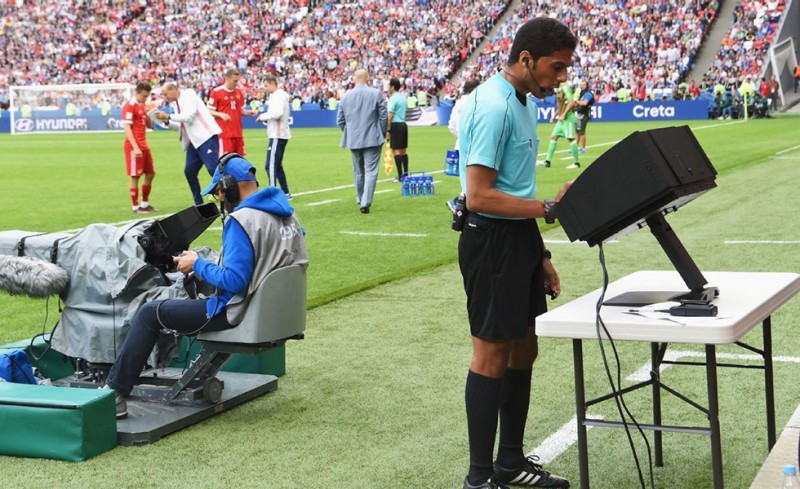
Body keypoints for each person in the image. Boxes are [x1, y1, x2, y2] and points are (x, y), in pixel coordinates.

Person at [457, 17, 575, 489]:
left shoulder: (524, 101)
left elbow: (515, 187)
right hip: (490, 241)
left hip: (519, 240)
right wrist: (548, 208)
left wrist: (540, 251)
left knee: (524, 348)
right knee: (491, 354)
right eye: (557, 67)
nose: (563, 77)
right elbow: (479, 196)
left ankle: (509, 465)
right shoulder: (491, 106)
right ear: (526, 60)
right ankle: (479, 478)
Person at [105, 155, 309, 418]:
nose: (219, 199)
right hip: (277, 312)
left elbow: (235, 280)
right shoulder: (288, 214)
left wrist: (197, 264)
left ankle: (113, 394)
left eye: (218, 193)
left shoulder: (241, 221)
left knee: (149, 313)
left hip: (236, 310)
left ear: (228, 186)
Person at [155, 82, 222, 206]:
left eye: (166, 94)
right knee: (189, 171)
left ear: (174, 89)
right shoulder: (177, 104)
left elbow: (189, 117)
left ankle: (231, 196)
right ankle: (198, 203)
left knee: (213, 169)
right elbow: (182, 124)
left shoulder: (189, 95)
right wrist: (166, 121)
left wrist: (169, 116)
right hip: (195, 141)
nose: (165, 98)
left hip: (206, 136)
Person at [336, 68, 388, 214]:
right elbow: (383, 116)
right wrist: (382, 132)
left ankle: (360, 198)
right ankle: (365, 202)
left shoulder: (345, 96)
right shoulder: (375, 93)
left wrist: (349, 133)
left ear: (355, 79)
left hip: (354, 139)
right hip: (372, 137)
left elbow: (340, 120)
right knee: (371, 171)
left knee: (358, 172)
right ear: (367, 78)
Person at [122, 81, 157, 214]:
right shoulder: (129, 106)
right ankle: (135, 207)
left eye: (147, 96)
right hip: (133, 146)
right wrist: (135, 147)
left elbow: (148, 125)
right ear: (136, 93)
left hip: (143, 145)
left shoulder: (142, 105)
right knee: (135, 176)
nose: (145, 99)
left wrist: (149, 114)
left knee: (150, 174)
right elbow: (127, 128)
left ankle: (145, 203)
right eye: (143, 96)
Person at [256, 75, 293, 199]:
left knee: (270, 165)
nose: (265, 89)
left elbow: (277, 113)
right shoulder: (276, 96)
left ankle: (272, 192)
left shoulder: (278, 95)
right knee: (277, 165)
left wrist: (263, 116)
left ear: (272, 83)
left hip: (277, 135)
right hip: (280, 134)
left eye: (266, 86)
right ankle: (285, 192)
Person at [208, 68, 258, 156]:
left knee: (238, 161)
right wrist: (220, 114)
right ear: (227, 78)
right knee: (225, 160)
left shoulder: (238, 92)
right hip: (224, 134)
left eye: (237, 81)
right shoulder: (216, 92)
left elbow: (240, 110)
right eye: (234, 81)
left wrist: (249, 112)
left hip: (238, 133)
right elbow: (209, 111)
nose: (236, 83)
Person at [538, 80, 580, 169]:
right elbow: (562, 105)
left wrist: (564, 114)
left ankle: (576, 163)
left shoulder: (565, 87)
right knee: (553, 137)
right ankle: (547, 161)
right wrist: (554, 115)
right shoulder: (559, 88)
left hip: (568, 118)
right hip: (561, 119)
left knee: (571, 139)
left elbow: (571, 102)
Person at [387, 78, 410, 181]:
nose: (388, 87)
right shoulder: (403, 98)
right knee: (403, 150)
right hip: (403, 124)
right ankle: (405, 173)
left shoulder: (393, 98)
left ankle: (400, 176)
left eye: (389, 85)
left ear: (392, 86)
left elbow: (390, 115)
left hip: (396, 125)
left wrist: (387, 129)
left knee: (396, 150)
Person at [575, 79, 595, 155]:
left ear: (586, 86)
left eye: (583, 85)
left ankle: (583, 148)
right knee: (577, 131)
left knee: (582, 132)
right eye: (581, 85)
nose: (581, 86)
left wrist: (576, 102)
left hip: (585, 114)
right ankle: (575, 148)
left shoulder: (588, 94)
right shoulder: (582, 93)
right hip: (580, 113)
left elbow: (585, 103)